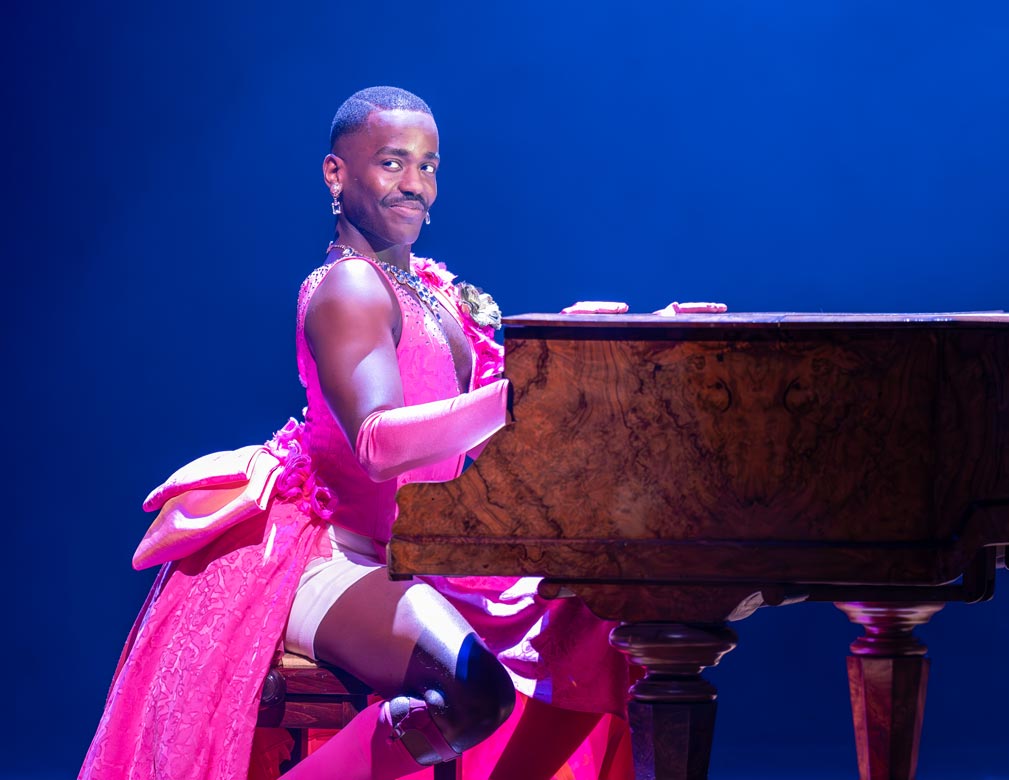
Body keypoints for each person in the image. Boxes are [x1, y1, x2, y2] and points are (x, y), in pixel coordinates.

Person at [80, 86, 633, 780]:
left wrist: (593, 344)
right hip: (327, 550)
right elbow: (376, 445)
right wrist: (525, 396)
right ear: (336, 173)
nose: (416, 186)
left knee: (597, 625)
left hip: (420, 548)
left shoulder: (430, 289)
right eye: (393, 163)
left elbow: (482, 413)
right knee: (472, 693)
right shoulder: (349, 287)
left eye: (429, 166)